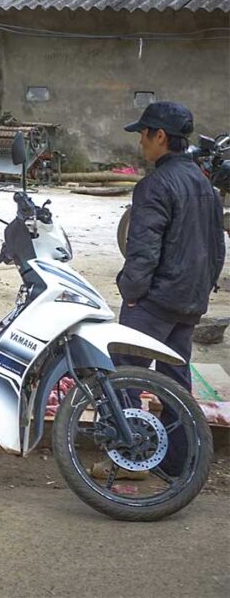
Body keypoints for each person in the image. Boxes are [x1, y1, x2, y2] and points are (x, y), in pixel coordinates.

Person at [105, 101, 225, 479]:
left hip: (153, 303)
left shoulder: (155, 185)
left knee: (124, 377)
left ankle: (132, 458)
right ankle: (179, 463)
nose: (140, 141)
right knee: (175, 383)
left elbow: (143, 253)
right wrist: (200, 292)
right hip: (188, 302)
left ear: (160, 136)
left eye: (144, 133)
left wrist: (132, 292)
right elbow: (217, 249)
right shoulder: (204, 184)